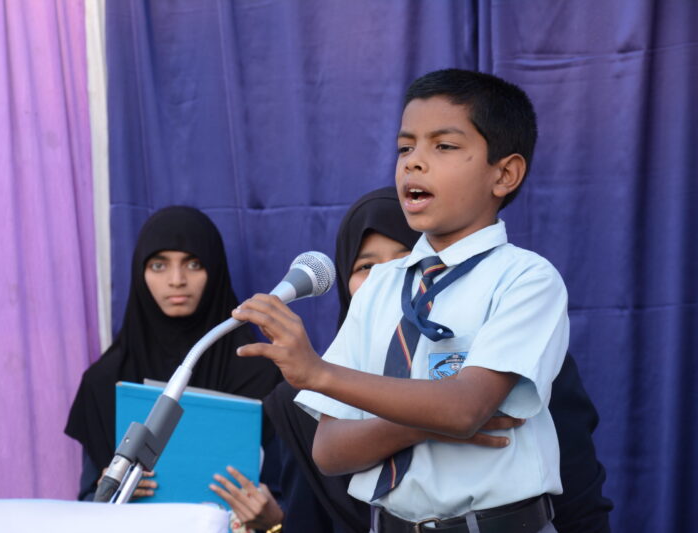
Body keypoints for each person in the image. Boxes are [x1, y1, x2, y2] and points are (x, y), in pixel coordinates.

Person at [233, 69, 574, 532]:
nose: (414, 162)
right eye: (405, 147)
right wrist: (422, 426)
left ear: (505, 174)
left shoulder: (526, 279)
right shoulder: (378, 286)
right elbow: (329, 451)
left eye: (444, 146)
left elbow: (464, 408)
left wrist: (319, 373)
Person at [211, 187, 528, 531]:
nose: (384, 276)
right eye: (366, 266)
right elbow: (317, 487)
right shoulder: (298, 401)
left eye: (404, 258)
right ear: (347, 283)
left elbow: (575, 487)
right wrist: (426, 424)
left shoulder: (497, 346)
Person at [65, 206, 281, 501]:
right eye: (159, 265)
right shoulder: (104, 381)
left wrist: (270, 521)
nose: (176, 279)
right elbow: (88, 498)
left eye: (193, 264)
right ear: (140, 273)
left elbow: (285, 497)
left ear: (215, 272)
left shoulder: (259, 375)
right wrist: (106, 493)